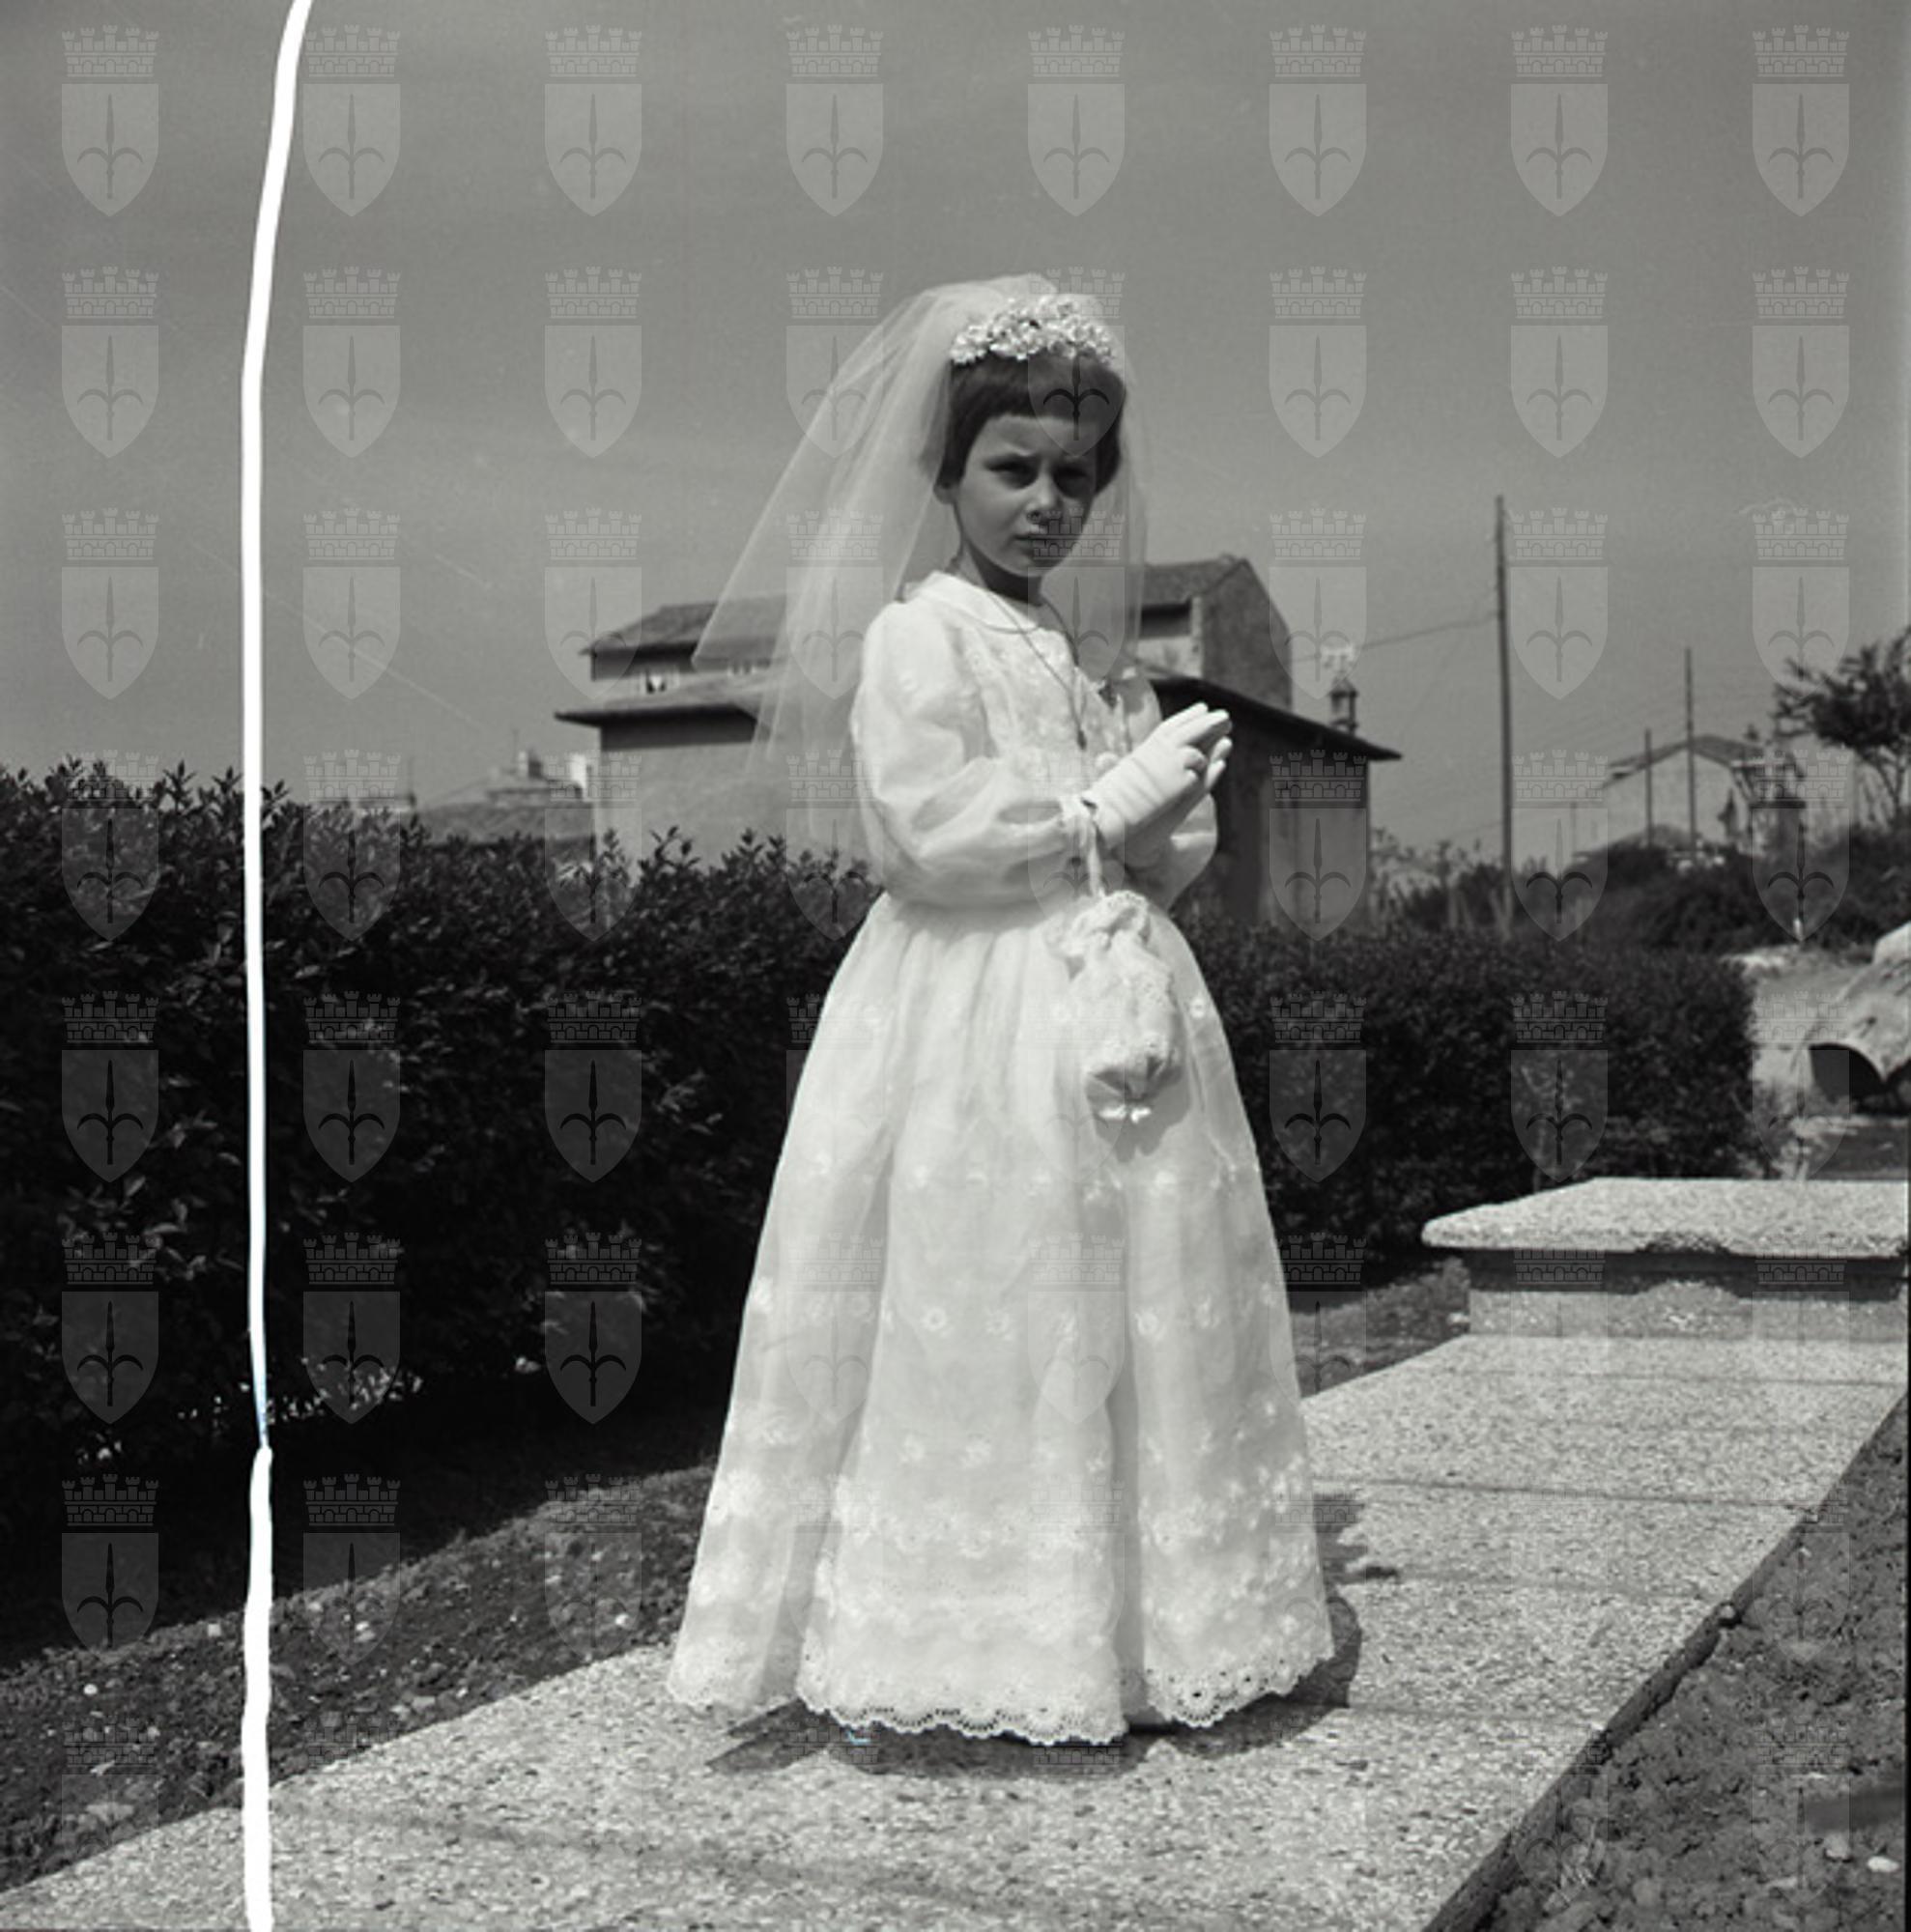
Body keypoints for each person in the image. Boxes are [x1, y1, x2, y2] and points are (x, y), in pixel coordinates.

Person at [664, 275, 1335, 1747]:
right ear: (946, 471)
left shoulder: (1091, 659)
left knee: (1133, 1285)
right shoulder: (922, 638)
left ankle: (1145, 1620)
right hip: (969, 1009)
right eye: (1013, 469)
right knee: (990, 1286)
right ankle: (974, 1624)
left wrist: (1163, 814)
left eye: (1073, 477)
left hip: (1107, 992)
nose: (1046, 504)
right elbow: (923, 833)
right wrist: (1094, 809)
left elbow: (1139, 853)